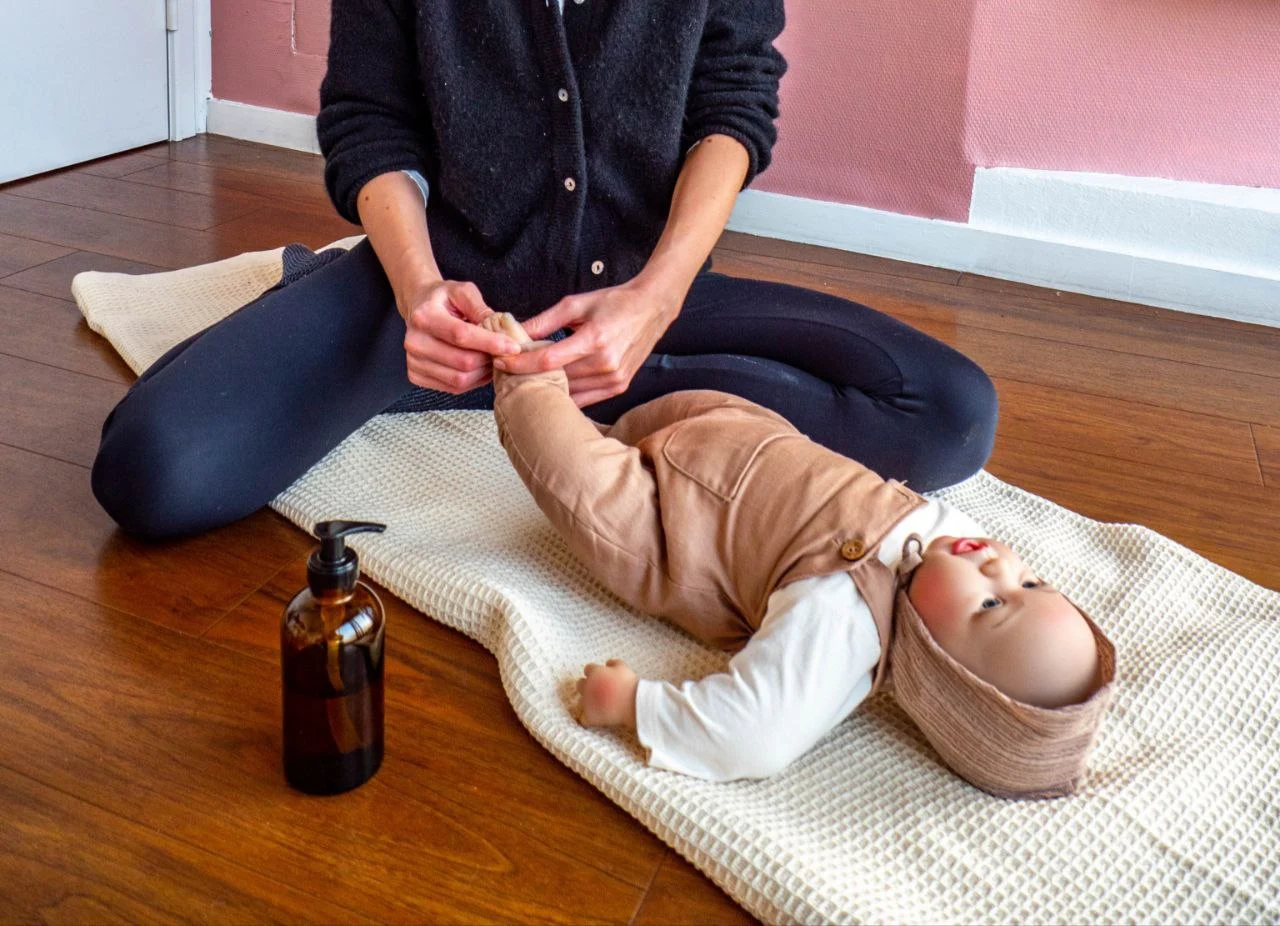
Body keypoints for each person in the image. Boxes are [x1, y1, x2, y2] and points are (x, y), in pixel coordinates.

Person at [90, 0, 997, 541]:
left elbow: (736, 103)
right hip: (436, 296)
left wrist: (655, 298)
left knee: (950, 414)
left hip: (642, 300)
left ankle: (575, 380)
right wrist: (415, 293)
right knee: (151, 471)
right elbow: (368, 123)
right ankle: (482, 374)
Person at [482, 312, 1115, 798]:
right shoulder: (945, 543)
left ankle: (522, 375)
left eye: (990, 604)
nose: (998, 566)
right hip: (726, 430)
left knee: (585, 487)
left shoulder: (845, 630)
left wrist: (633, 705)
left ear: (937, 664)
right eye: (1032, 581)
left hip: (662, 526)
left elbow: (754, 737)